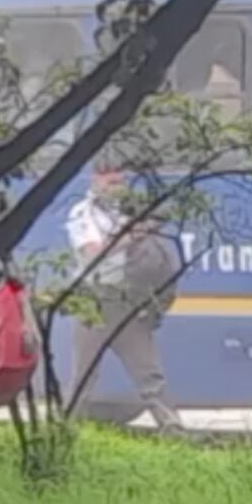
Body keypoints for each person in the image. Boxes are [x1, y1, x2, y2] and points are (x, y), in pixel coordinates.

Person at [65, 162, 185, 431]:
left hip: (127, 302)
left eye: (120, 182)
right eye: (110, 183)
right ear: (95, 181)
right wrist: (132, 234)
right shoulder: (83, 214)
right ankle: (63, 431)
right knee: (83, 376)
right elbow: (93, 253)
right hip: (93, 303)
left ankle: (173, 429)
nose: (116, 188)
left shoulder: (130, 212)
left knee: (149, 373)